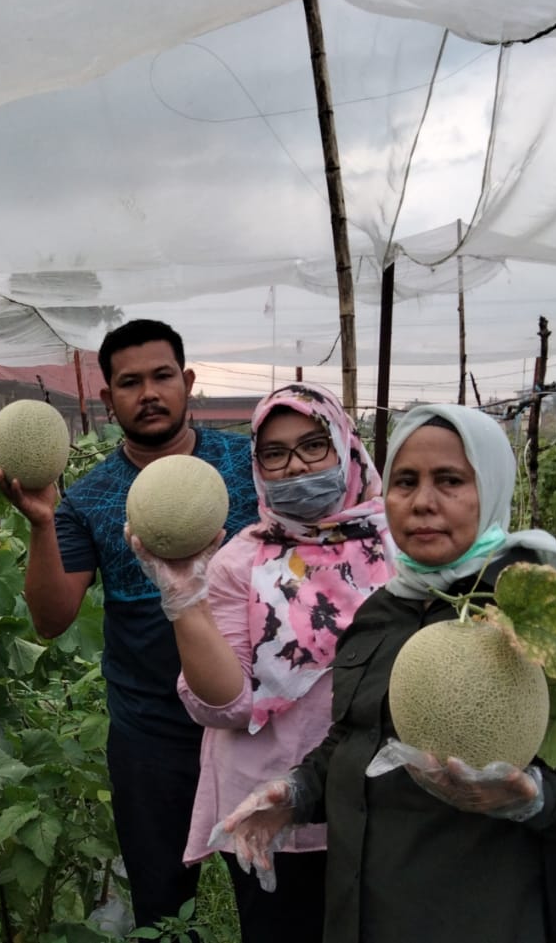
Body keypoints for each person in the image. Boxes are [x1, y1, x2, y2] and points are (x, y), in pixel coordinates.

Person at [220, 403, 556, 943]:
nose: (423, 503)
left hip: (500, 920)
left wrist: (534, 796)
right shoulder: (382, 611)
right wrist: (298, 792)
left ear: (489, 487)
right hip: (367, 914)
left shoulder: (555, 615)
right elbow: (359, 738)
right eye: (405, 481)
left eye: (450, 480)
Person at [0, 318, 260, 934]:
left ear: (188, 382)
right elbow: (52, 620)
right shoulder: (89, 497)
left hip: (257, 722)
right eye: (130, 383)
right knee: (161, 904)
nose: (149, 393)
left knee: (273, 899)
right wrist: (40, 522)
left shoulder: (247, 464)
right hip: (151, 731)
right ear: (108, 400)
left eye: (163, 376)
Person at [129, 383, 394, 943]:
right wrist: (185, 600)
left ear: (346, 444)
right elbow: (225, 707)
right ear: (257, 466)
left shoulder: (400, 548)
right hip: (269, 801)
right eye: (275, 453)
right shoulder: (240, 560)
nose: (296, 466)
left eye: (313, 445)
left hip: (380, 792)